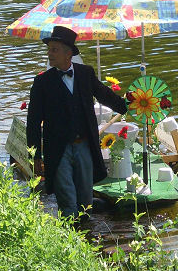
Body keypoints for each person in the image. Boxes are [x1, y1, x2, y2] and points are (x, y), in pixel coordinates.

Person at [26, 26, 127, 218]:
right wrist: (36, 155)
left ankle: (86, 237)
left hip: (84, 146)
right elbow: (33, 120)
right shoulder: (42, 83)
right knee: (67, 200)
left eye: (54, 49)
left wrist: (129, 105)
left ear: (68, 53)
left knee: (85, 200)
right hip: (58, 149)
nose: (49, 54)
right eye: (49, 49)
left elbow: (105, 95)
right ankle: (70, 232)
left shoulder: (85, 73)